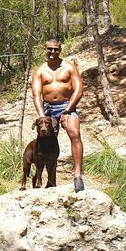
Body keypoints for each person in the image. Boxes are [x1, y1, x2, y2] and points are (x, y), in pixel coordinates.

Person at [31, 38, 85, 191]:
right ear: (45, 49)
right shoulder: (40, 71)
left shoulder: (69, 67)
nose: (53, 52)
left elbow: (79, 90)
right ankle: (42, 176)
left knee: (74, 133)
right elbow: (36, 93)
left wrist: (67, 110)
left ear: (60, 50)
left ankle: (78, 175)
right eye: (50, 49)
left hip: (66, 105)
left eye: (56, 49)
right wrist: (42, 117)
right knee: (43, 139)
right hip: (47, 107)